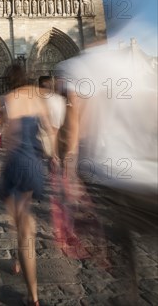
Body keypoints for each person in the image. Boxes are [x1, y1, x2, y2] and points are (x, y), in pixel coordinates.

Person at [57, 40, 158, 304]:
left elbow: (73, 126)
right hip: (150, 172)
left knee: (121, 250)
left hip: (114, 175)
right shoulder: (133, 66)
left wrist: (68, 167)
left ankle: (130, 293)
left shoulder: (80, 68)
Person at [0, 63, 56, 306]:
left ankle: (32, 294)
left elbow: (7, 136)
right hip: (34, 164)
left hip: (15, 164)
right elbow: (51, 131)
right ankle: (26, 274)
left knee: (21, 226)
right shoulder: (38, 96)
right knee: (24, 218)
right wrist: (55, 159)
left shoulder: (6, 100)